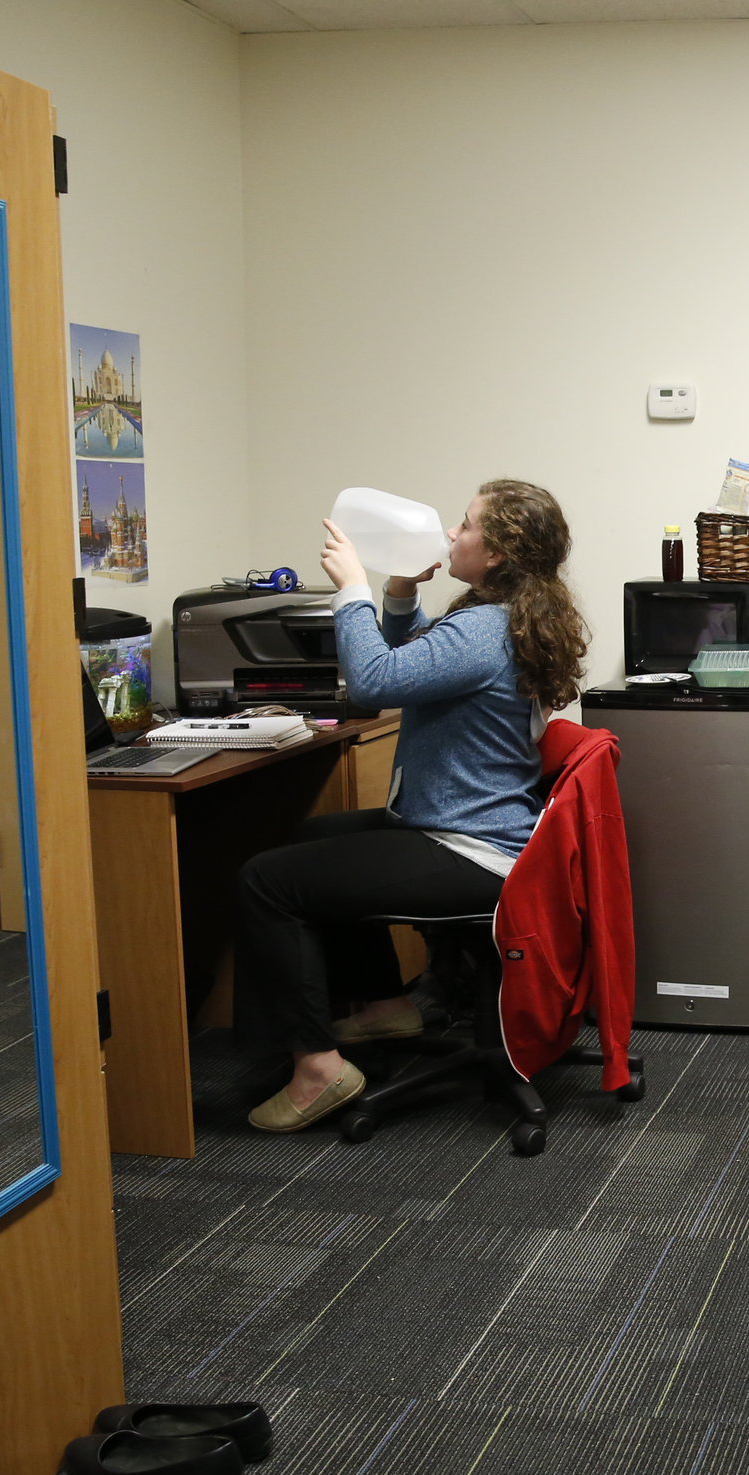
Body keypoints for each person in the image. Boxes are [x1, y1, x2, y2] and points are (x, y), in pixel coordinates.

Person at [232, 479, 587, 1133]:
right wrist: (399, 592)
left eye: (466, 526)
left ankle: (318, 1064)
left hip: (468, 847)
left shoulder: (485, 627)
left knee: (266, 880)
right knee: (315, 836)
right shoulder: (506, 616)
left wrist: (351, 590)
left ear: (499, 554)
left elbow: (376, 679)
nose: (451, 534)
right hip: (482, 833)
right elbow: (424, 659)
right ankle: (388, 1003)